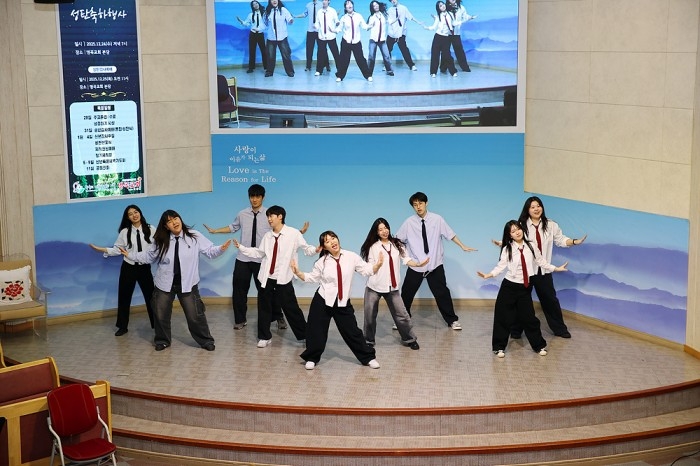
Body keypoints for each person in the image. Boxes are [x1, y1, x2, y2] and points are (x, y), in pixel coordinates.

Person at [123, 210, 232, 352]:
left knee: (195, 315)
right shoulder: (161, 239)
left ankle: (206, 340)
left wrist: (221, 249)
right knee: (160, 314)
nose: (174, 222)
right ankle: (162, 340)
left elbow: (210, 251)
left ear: (180, 219)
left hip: (188, 284)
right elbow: (149, 257)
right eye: (169, 221)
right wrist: (130, 255)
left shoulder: (193, 236)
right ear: (166, 226)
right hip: (164, 284)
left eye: (175, 218)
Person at [203, 184, 293, 331]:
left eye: (257, 196)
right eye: (252, 196)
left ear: (263, 197)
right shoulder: (242, 214)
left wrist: (298, 233)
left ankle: (278, 316)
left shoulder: (269, 215)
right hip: (243, 258)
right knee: (239, 291)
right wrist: (215, 231)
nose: (254, 199)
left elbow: (281, 229)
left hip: (262, 259)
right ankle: (240, 320)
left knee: (268, 292)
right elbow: (232, 227)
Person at [291, 230, 383, 370]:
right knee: (316, 330)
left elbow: (366, 270)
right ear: (324, 247)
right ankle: (312, 358)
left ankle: (368, 357)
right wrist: (298, 273)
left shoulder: (351, 257)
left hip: (342, 301)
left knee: (352, 331)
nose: (332, 242)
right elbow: (312, 278)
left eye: (333, 238)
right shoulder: (321, 262)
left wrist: (377, 265)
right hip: (323, 300)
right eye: (327, 241)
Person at [477, 220, 568, 358]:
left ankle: (539, 345)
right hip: (509, 287)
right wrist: (488, 275)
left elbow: (541, 261)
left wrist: (555, 268)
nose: (517, 232)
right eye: (513, 231)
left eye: (518, 229)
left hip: (525, 287)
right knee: (502, 316)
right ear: (510, 235)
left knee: (529, 318)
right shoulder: (507, 249)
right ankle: (499, 347)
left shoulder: (531, 246)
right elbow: (501, 266)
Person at [233, 205, 317, 348]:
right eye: (268, 216)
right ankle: (264, 336)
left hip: (283, 278)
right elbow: (259, 253)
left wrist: (316, 249)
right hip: (267, 278)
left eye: (271, 216)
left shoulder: (293, 233)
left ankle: (304, 335)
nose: (269, 219)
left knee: (291, 308)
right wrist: (242, 248)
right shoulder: (268, 236)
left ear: (280, 217)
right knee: (263, 308)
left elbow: (306, 249)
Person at [396, 192, 476, 330]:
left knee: (442, 293)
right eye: (415, 205)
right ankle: (402, 320)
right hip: (416, 265)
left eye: (420, 203)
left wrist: (462, 246)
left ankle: (452, 320)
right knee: (406, 294)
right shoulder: (409, 222)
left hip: (434, 265)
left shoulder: (437, 219)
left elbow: (450, 234)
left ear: (426, 203)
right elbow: (398, 241)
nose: (418, 207)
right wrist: (407, 259)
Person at [513, 196, 587, 339]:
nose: (536, 209)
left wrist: (574, 241)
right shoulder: (521, 225)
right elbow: (514, 241)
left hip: (544, 270)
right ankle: (515, 330)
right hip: (526, 271)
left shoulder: (551, 225)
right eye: (532, 207)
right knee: (521, 301)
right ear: (527, 210)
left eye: (538, 206)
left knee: (550, 300)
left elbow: (561, 240)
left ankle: (559, 329)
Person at [360, 218, 426, 349]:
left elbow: (406, 259)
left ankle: (409, 339)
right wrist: (378, 264)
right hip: (374, 287)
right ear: (376, 232)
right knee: (369, 316)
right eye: (380, 229)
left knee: (402, 315)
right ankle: (368, 341)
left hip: (392, 287)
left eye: (385, 228)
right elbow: (370, 268)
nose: (384, 231)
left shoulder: (397, 244)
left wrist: (418, 264)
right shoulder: (373, 247)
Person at [90, 205, 156, 336]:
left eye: (136, 212)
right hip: (128, 267)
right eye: (130, 214)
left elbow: (158, 246)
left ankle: (157, 325)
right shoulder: (125, 232)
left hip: (144, 267)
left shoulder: (151, 229)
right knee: (124, 296)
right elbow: (117, 249)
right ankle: (122, 326)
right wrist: (102, 249)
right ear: (128, 218)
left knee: (151, 298)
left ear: (140, 213)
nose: (134, 215)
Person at [335, 0, 373, 82]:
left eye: (351, 3)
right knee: (344, 60)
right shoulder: (344, 17)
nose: (349, 5)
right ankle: (340, 76)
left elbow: (364, 26)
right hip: (346, 41)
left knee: (361, 59)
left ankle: (368, 75)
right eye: (347, 4)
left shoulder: (358, 16)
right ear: (345, 7)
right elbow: (339, 28)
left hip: (356, 41)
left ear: (353, 5)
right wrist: (334, 30)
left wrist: (370, 26)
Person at [424, 1, 459, 78]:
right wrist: (426, 27)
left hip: (446, 38)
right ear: (438, 8)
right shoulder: (438, 16)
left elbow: (454, 23)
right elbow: (434, 27)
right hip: (438, 37)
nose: (443, 6)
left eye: (443, 4)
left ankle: (453, 71)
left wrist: (464, 21)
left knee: (447, 55)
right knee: (435, 55)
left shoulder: (450, 14)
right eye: (440, 6)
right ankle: (433, 72)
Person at [440, 0, 475, 73]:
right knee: (445, 51)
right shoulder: (445, 7)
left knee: (459, 50)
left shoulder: (461, 7)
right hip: (447, 33)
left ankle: (465, 67)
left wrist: (470, 17)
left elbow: (465, 16)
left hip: (456, 33)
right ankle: (443, 68)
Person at [386, 0, 421, 71]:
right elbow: (389, 21)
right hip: (392, 33)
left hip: (401, 33)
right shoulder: (389, 10)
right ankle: (387, 65)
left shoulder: (403, 8)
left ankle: (411, 65)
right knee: (387, 49)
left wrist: (418, 22)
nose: (393, 1)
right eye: (391, 0)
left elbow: (410, 17)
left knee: (404, 49)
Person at [263, 0, 295, 77]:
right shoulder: (267, 11)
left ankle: (290, 71)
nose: (274, 1)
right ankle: (269, 71)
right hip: (271, 37)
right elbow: (265, 23)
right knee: (270, 56)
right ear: (270, 1)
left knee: (286, 55)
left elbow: (289, 19)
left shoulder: (283, 10)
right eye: (272, 0)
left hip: (282, 37)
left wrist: (291, 20)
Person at [237, 1, 269, 73]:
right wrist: (241, 21)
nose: (255, 5)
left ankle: (266, 67)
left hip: (260, 34)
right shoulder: (250, 15)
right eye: (254, 4)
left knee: (264, 51)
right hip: (252, 34)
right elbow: (246, 24)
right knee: (252, 51)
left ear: (258, 4)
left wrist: (260, 29)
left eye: (256, 3)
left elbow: (266, 25)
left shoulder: (264, 14)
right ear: (252, 7)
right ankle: (251, 68)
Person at [366, 1, 394, 77]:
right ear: (372, 8)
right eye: (374, 6)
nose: (376, 6)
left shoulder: (384, 15)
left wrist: (396, 19)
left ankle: (389, 70)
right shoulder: (371, 17)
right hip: (373, 40)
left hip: (382, 40)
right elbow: (367, 28)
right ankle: (369, 73)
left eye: (376, 5)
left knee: (386, 56)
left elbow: (390, 22)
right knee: (371, 57)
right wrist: (370, 26)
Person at [313, 0, 341, 76]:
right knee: (320, 53)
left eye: (325, 0)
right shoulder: (319, 12)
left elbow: (336, 20)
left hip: (331, 35)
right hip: (322, 36)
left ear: (329, 2)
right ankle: (319, 70)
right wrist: (315, 26)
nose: (324, 2)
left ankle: (340, 70)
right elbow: (317, 22)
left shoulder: (332, 11)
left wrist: (337, 23)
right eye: (323, 0)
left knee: (335, 53)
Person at [295, 0, 322, 72]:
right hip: (310, 30)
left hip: (319, 30)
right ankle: (308, 66)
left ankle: (326, 65)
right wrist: (296, 16)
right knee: (309, 49)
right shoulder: (308, 5)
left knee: (322, 49)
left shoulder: (321, 4)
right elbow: (304, 14)